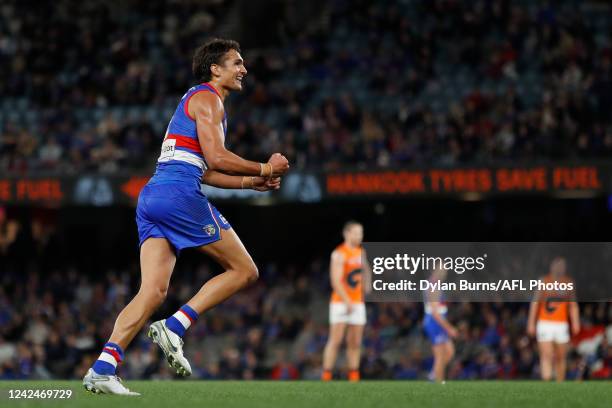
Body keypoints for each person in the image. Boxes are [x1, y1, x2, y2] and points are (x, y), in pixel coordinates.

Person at [83, 38, 290, 395]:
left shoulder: (195, 101)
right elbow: (216, 156)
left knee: (152, 291)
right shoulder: (208, 99)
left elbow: (205, 168)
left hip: (153, 196)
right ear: (216, 69)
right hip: (178, 194)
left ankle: (103, 368)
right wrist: (265, 166)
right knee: (244, 270)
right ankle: (176, 326)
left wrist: (250, 181)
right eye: (236, 63)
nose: (244, 70)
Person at [321, 221, 366, 381]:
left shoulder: (361, 252)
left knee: (355, 341)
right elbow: (336, 280)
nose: (359, 236)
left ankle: (354, 374)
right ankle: (327, 374)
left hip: (358, 302)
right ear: (346, 233)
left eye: (360, 233)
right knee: (335, 340)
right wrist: (347, 301)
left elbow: (366, 272)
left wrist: (367, 286)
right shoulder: (339, 253)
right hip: (341, 302)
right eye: (356, 232)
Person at [527, 257, 580, 381]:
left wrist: (575, 322)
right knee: (547, 354)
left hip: (562, 324)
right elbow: (535, 303)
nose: (560, 268)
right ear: (552, 267)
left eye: (562, 266)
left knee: (561, 356)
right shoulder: (544, 281)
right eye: (557, 265)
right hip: (545, 323)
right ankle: (547, 381)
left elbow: (573, 304)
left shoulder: (568, 282)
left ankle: (559, 384)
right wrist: (531, 323)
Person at [423, 267, 457, 383]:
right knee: (440, 355)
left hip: (437, 321)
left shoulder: (436, 284)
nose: (444, 272)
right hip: (434, 322)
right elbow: (434, 312)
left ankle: (433, 375)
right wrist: (449, 328)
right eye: (441, 269)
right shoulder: (433, 285)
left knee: (449, 351)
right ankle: (439, 381)